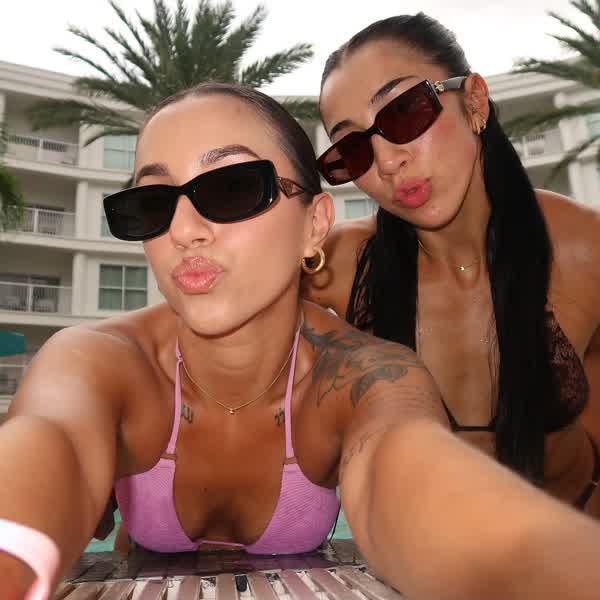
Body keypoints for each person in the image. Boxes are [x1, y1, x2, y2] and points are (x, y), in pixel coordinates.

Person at [2, 82, 600, 600]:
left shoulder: (364, 376)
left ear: (314, 224)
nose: (183, 230)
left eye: (232, 188)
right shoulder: (97, 362)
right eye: (153, 203)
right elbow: (49, 447)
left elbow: (409, 472)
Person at [306, 13, 600, 516]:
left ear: (474, 102)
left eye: (403, 113)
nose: (387, 162)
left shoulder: (585, 248)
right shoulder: (338, 263)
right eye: (352, 149)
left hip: (574, 542)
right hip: (424, 552)